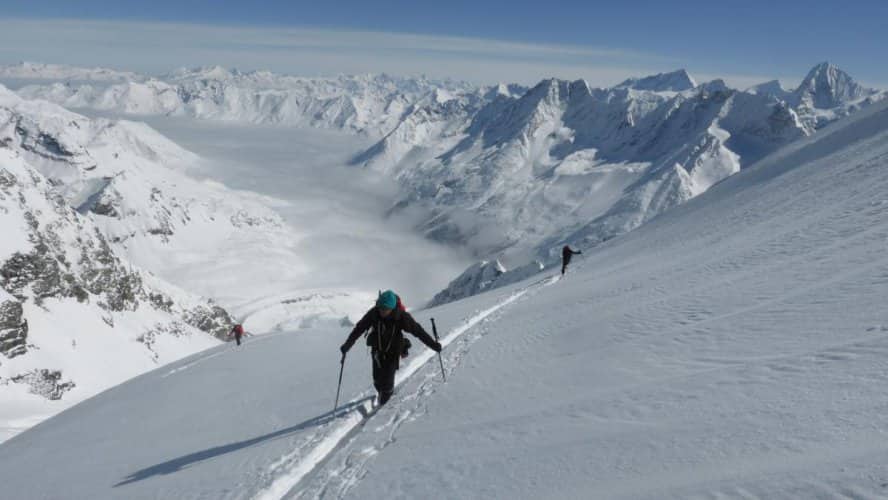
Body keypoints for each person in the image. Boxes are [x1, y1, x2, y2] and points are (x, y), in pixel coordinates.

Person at [340, 290, 441, 406]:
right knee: (377, 381)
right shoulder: (374, 313)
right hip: (377, 351)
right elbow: (359, 328)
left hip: (393, 352)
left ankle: (384, 406)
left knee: (387, 384)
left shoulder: (402, 317)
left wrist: (434, 345)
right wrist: (348, 345)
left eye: (385, 309)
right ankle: (381, 394)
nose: (382, 311)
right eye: (380, 307)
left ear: (392, 308)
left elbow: (418, 332)